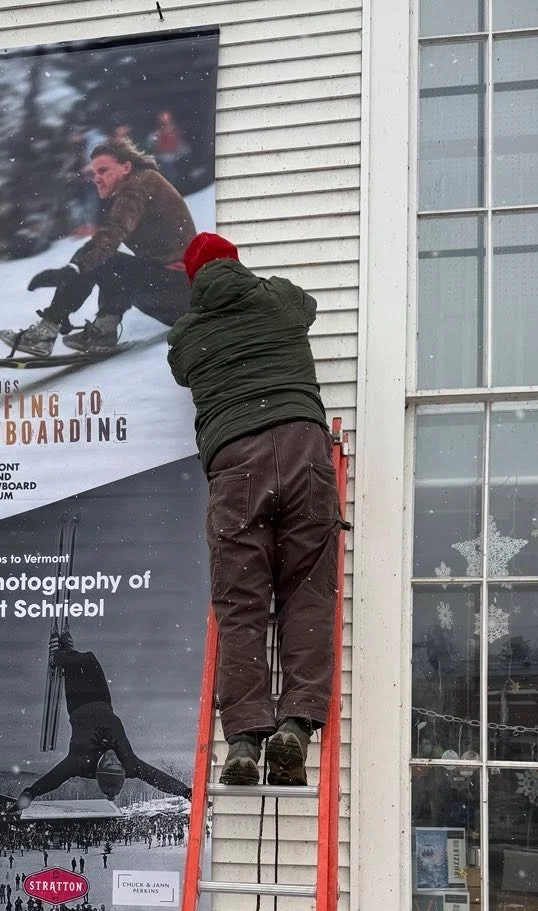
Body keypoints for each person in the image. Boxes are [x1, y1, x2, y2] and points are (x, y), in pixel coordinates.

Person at [167, 232, 344, 788]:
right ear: (236, 262)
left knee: (241, 604)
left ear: (192, 280)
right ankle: (295, 724)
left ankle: (244, 738)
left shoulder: (187, 335)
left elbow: (182, 369)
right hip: (302, 447)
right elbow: (306, 308)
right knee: (307, 593)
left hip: (235, 460)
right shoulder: (277, 298)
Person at [2, 138, 196, 359]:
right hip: (176, 296)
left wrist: (73, 272)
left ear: (125, 167)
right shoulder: (137, 185)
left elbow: (112, 234)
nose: (97, 178)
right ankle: (102, 330)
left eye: (103, 170)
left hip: (182, 293)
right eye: (94, 173)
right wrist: (74, 277)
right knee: (105, 259)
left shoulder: (138, 186)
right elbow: (104, 244)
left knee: (105, 259)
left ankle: (48, 331)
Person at [17, 630, 191, 812]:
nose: (113, 758)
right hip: (102, 700)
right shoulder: (130, 764)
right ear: (123, 771)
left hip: (78, 704)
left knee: (76, 664)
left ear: (98, 771)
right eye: (117, 765)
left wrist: (30, 794)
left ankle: (59, 657)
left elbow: (54, 779)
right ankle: (65, 654)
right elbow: (157, 778)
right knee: (90, 658)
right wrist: (186, 792)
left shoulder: (78, 763)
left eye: (109, 764)